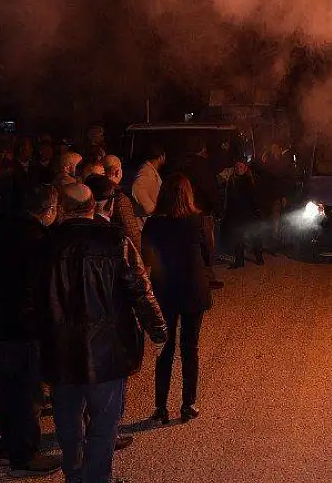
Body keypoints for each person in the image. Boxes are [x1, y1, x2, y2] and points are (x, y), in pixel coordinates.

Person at [38, 183, 167, 483]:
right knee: (105, 420)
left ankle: (74, 472)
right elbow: (140, 289)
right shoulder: (114, 241)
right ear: (93, 207)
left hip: (60, 347)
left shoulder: (44, 245)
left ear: (63, 209)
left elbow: (30, 298)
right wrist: (158, 330)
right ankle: (96, 477)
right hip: (106, 348)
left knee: (67, 416)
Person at [0, 184, 62, 477]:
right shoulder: (40, 241)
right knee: (29, 393)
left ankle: (8, 445)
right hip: (27, 326)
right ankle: (24, 454)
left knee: (8, 388)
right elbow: (42, 288)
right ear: (49, 209)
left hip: (0, 322)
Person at [143, 174, 213, 424]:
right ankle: (187, 405)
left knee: (165, 349)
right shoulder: (199, 221)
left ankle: (160, 408)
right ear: (188, 194)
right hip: (193, 290)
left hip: (166, 291)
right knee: (190, 348)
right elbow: (209, 254)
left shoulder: (153, 224)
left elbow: (147, 257)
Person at [183, 138, 224, 289]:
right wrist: (218, 209)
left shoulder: (185, 164)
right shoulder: (202, 166)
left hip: (188, 211)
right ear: (202, 149)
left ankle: (197, 277)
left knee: (195, 245)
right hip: (202, 212)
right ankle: (206, 279)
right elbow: (210, 189)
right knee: (206, 245)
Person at [219, 157, 263, 269]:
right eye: (237, 166)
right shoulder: (231, 181)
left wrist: (256, 211)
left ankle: (259, 257)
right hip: (236, 214)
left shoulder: (250, 181)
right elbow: (228, 199)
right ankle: (239, 261)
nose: (239, 169)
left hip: (249, 213)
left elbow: (255, 199)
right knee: (238, 238)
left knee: (254, 236)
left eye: (241, 167)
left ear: (245, 168)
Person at [102, 155, 143, 250]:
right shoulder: (120, 198)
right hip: (117, 250)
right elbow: (131, 231)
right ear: (117, 172)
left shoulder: (93, 192)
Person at [131, 144, 166, 219]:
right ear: (161, 157)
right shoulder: (146, 171)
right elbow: (137, 189)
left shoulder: (150, 171)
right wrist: (152, 210)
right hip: (144, 220)